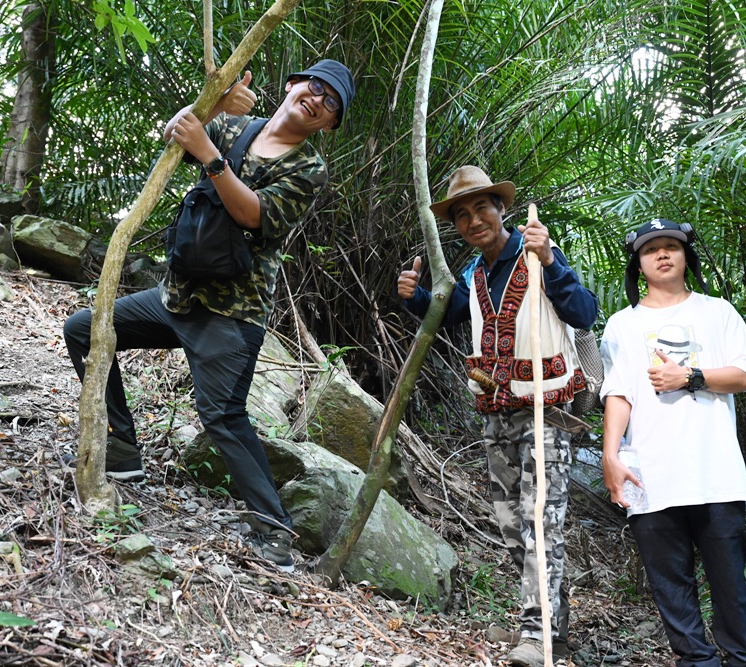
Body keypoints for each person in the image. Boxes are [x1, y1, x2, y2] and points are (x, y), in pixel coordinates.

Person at [63, 60, 356, 573]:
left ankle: (275, 531)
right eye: (315, 86)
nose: (317, 99)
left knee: (223, 415)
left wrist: (212, 157)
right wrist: (216, 105)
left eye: (331, 103)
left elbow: (254, 215)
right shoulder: (235, 127)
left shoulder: (309, 168)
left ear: (330, 124)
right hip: (176, 296)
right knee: (86, 330)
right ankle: (122, 451)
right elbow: (176, 133)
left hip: (232, 314)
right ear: (293, 84)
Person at [397, 165, 598, 666]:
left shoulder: (537, 253)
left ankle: (535, 635)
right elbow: (451, 315)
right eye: (462, 215)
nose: (473, 221)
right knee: (512, 527)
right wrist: (415, 297)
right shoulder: (474, 273)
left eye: (481, 208)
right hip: (497, 417)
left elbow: (584, 312)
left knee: (540, 522)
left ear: (501, 209)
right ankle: (555, 630)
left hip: (546, 414)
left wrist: (549, 260)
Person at [599, 218, 746, 667]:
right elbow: (618, 394)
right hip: (651, 474)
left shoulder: (717, 312)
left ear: (686, 256)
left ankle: (745, 660)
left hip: (715, 474)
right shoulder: (622, 324)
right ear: (638, 264)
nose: (662, 254)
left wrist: (689, 376)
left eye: (671, 246)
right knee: (670, 587)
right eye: (650, 249)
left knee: (731, 586)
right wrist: (610, 455)